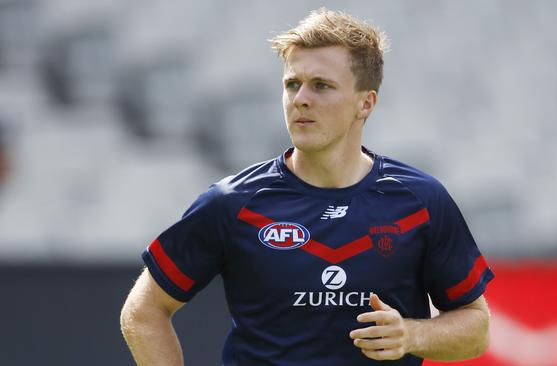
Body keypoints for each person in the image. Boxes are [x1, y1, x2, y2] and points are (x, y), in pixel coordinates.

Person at [120, 8, 494, 365]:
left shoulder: (421, 200)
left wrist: (412, 336)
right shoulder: (232, 203)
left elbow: (476, 328)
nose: (301, 99)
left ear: (366, 103)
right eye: (292, 84)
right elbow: (145, 311)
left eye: (321, 86)